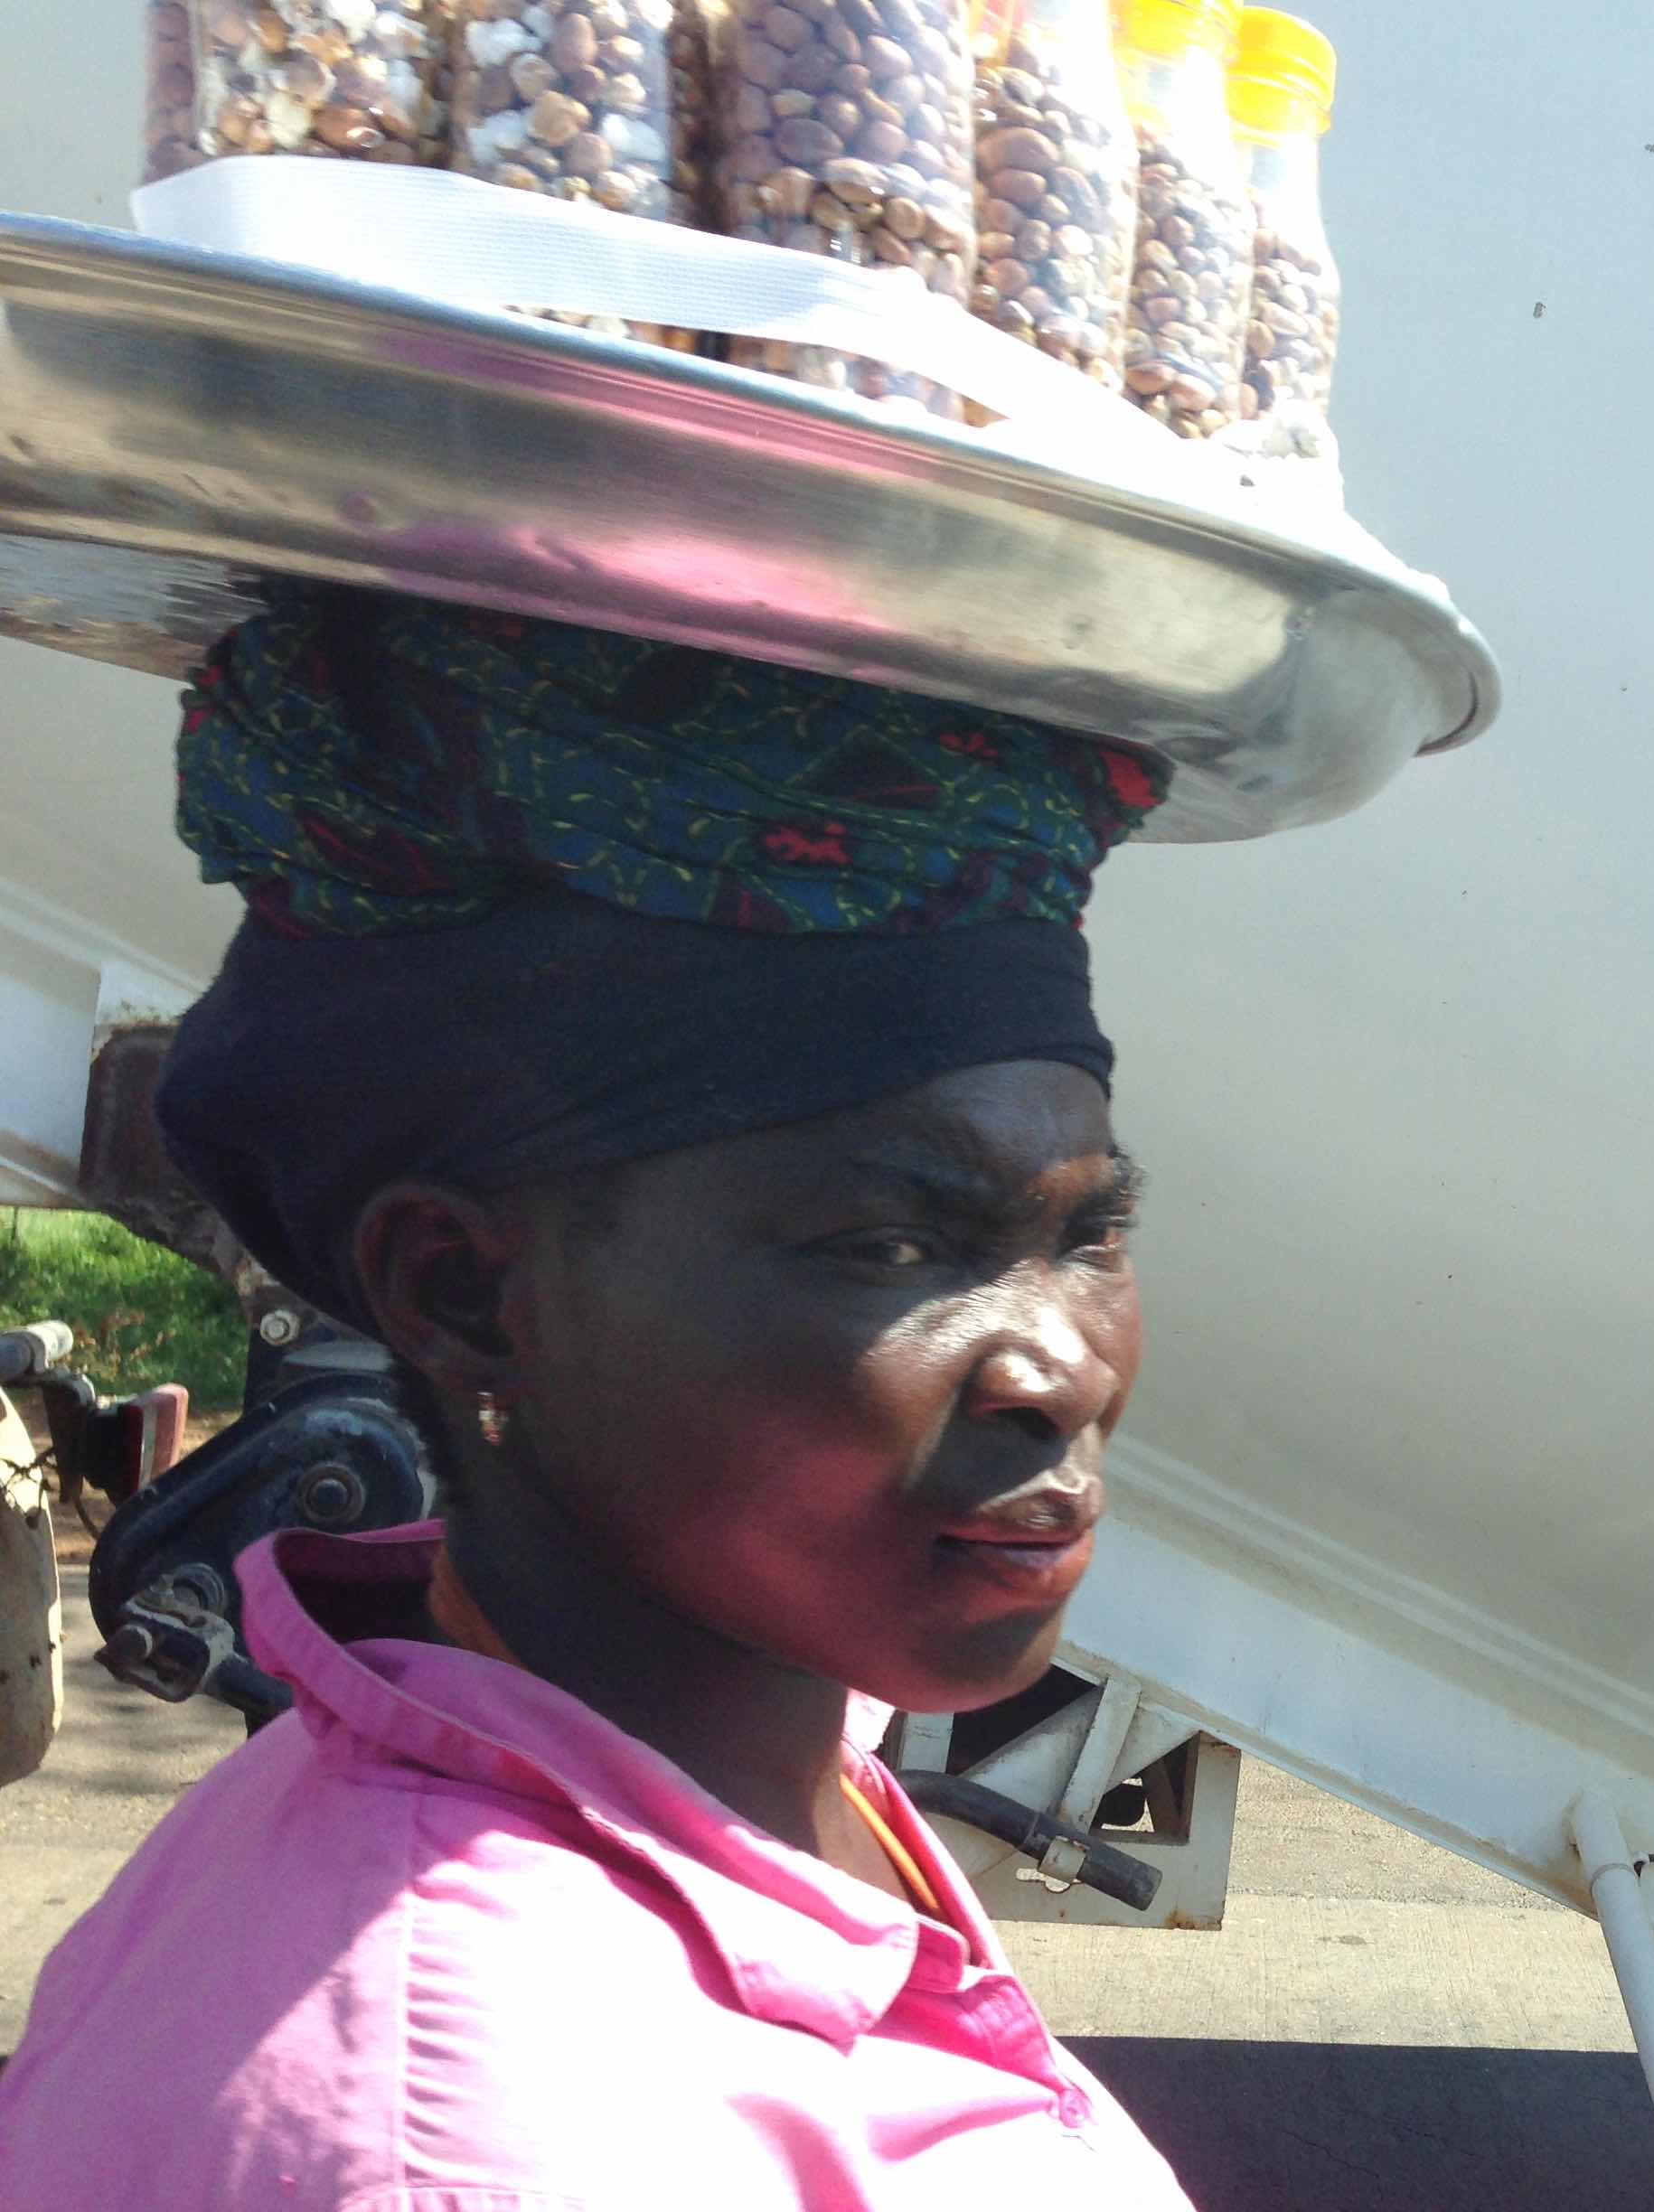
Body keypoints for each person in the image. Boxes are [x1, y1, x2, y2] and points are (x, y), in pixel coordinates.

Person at [0, 587, 1198, 2208]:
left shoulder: (768, 1753)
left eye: (1089, 1235)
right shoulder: (477, 2143)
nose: (1061, 1374)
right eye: (898, 1244)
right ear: (468, 1292)